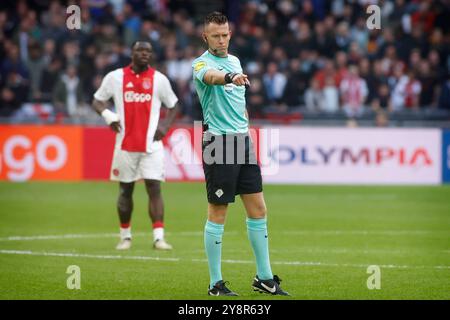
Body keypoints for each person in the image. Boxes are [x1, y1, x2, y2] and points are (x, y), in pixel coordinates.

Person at [192, 12, 289, 296]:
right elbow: (211, 78)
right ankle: (215, 283)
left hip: (242, 142)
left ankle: (264, 277)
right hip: (218, 143)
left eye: (225, 34)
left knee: (259, 209)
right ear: (205, 37)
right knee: (218, 211)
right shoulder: (201, 63)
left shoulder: (235, 60)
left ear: (230, 34)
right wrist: (230, 77)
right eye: (215, 35)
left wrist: (244, 123)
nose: (221, 40)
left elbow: (239, 102)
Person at [92, 41, 179, 251]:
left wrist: (165, 126)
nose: (144, 54)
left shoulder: (159, 80)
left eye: (148, 51)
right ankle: (125, 237)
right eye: (140, 50)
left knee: (154, 188)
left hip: (152, 145)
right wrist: (107, 115)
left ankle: (159, 238)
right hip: (125, 145)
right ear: (131, 53)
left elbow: (174, 105)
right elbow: (97, 100)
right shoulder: (115, 78)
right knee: (125, 191)